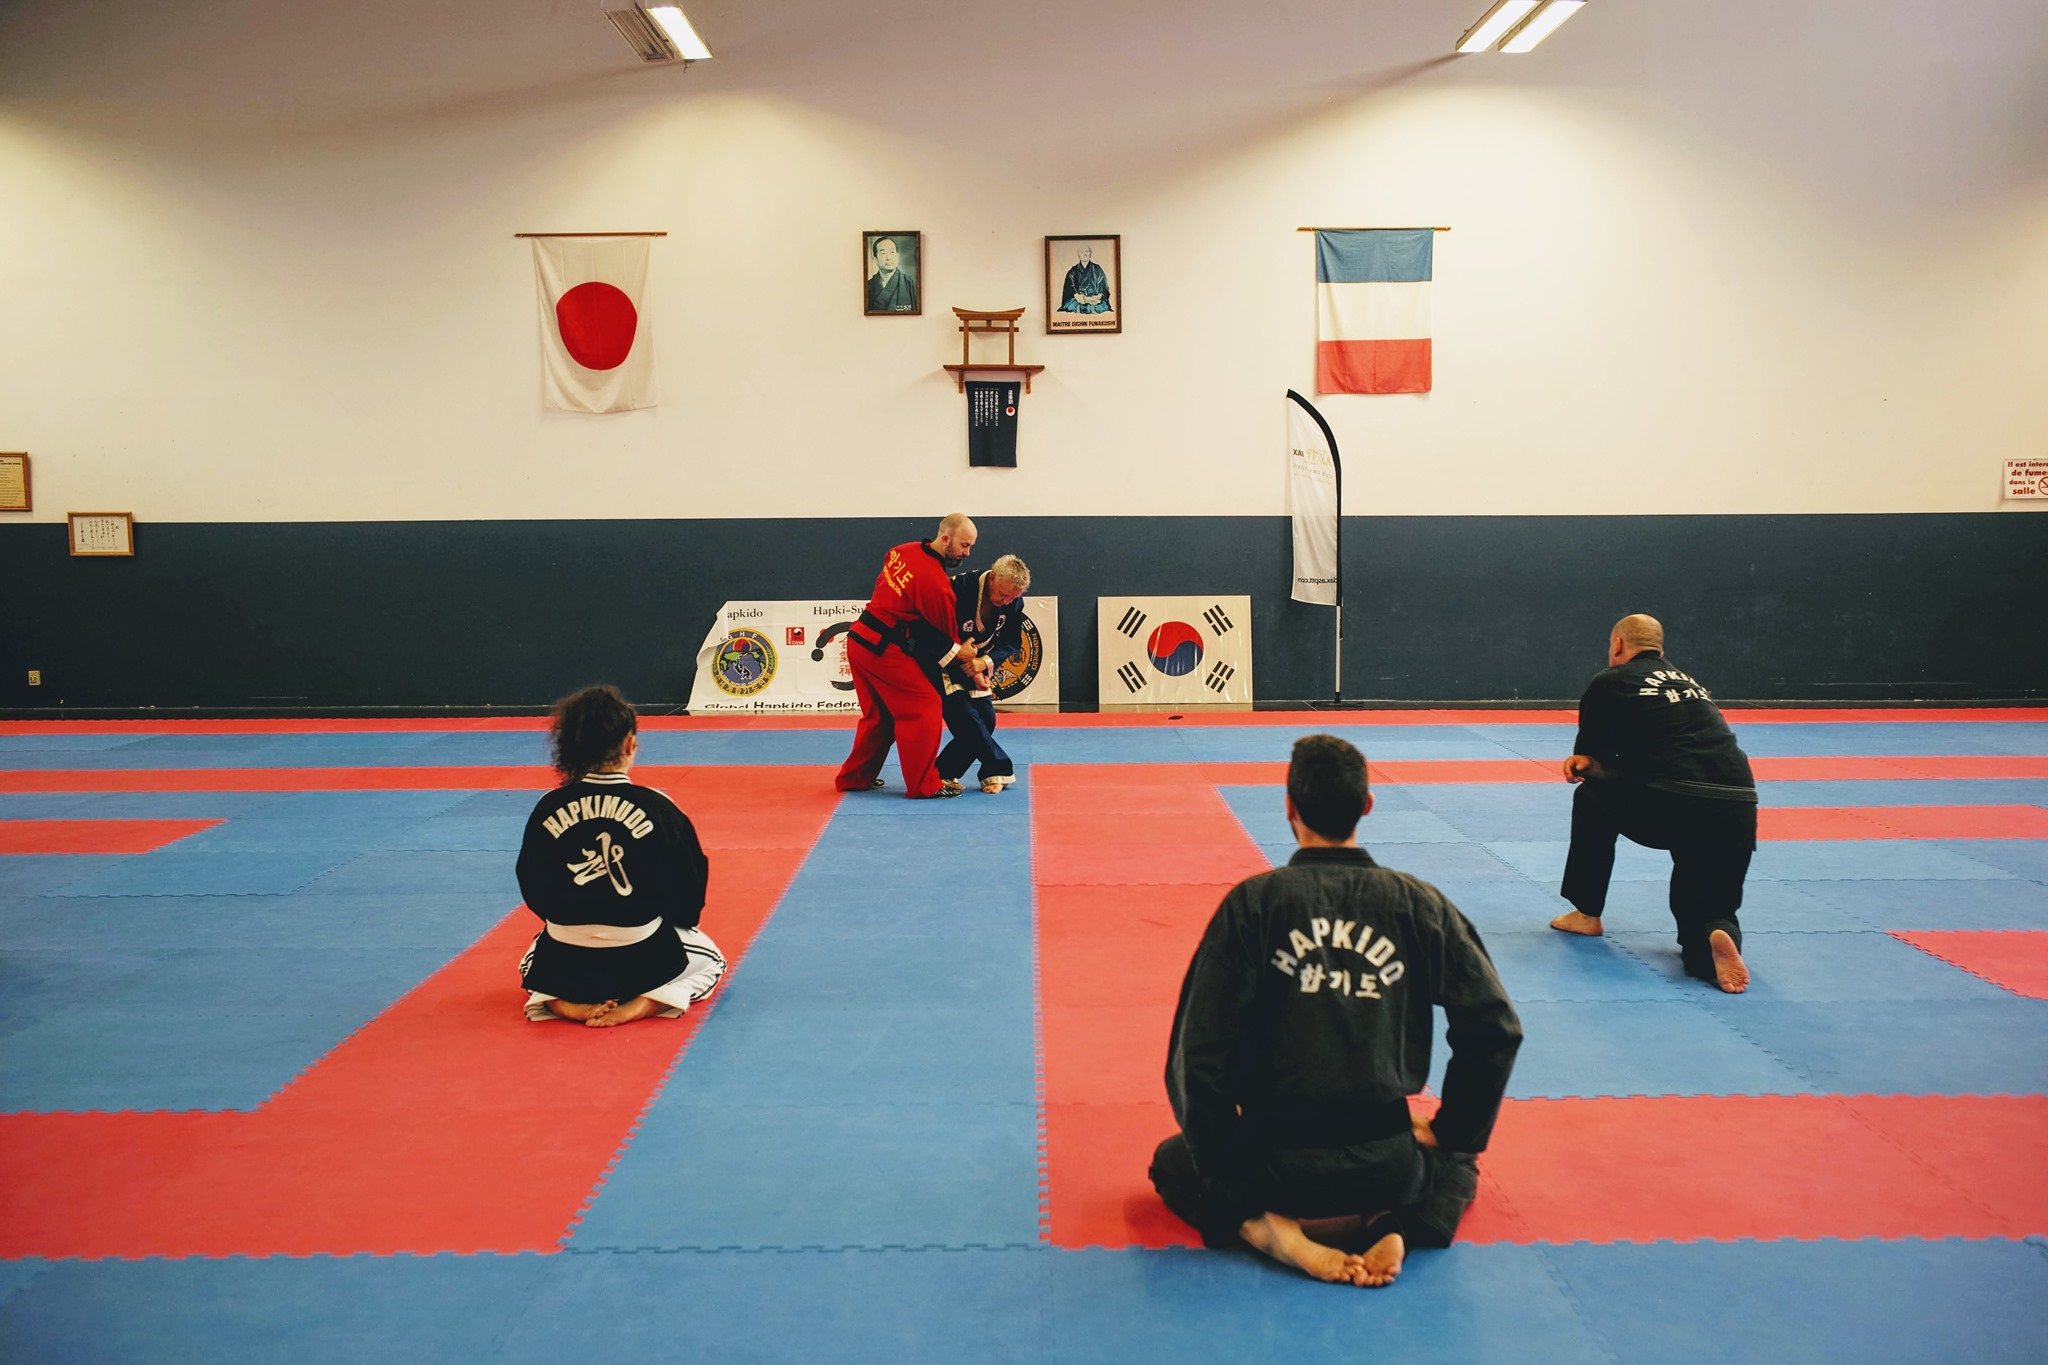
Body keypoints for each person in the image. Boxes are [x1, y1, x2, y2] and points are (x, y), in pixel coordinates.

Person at [1151, 735, 1522, 1288]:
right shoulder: (1419, 903)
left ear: (1289, 807)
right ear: (1367, 806)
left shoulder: (1253, 904)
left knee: (1174, 1162)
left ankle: (1264, 1226)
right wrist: (1452, 1129)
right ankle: (1394, 1223)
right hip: (1386, 1163)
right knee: (1461, 1159)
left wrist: (1225, 1162)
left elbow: (1197, 1054)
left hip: (1273, 1163)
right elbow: (1495, 1027)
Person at [1550, 613, 1758, 993]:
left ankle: (1587, 913)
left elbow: (1596, 765)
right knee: (1710, 907)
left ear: (1617, 645)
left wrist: (1584, 764)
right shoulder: (1689, 683)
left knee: (1590, 797)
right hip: (1738, 804)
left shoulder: (1612, 681)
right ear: (1659, 648)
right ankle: (1714, 936)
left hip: (1674, 804)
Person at [515, 685, 727, 1027]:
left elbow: (533, 884)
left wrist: (572, 919)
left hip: (568, 953)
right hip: (639, 953)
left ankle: (557, 1000)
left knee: (531, 960)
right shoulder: (659, 807)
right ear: (630, 744)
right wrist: (670, 921)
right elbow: (688, 888)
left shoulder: (547, 806)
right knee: (714, 960)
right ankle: (650, 1001)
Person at [833, 514, 984, 799]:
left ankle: (854, 778)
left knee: (880, 717)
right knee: (925, 706)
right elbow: (946, 637)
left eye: (970, 547)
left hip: (859, 639)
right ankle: (924, 785)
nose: (967, 553)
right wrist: (968, 663)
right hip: (882, 649)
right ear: (946, 538)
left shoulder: (902, 550)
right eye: (964, 545)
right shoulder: (936, 584)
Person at [936, 554, 1030, 795]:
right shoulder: (958, 588)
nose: (1006, 601)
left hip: (974, 664)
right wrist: (961, 655)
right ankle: (998, 767)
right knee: (966, 717)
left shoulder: (1013, 601)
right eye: (1003, 594)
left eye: (1012, 598)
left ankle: (942, 773)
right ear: (993, 578)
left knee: (987, 720)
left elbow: (1011, 642)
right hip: (942, 661)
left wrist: (983, 663)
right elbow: (932, 630)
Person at [865, 235, 917, 313]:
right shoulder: (868, 286)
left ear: (897, 256)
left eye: (892, 252)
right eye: (883, 253)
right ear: (875, 259)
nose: (888, 258)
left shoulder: (910, 284)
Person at [1056, 245, 1111, 314]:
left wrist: (1098, 297)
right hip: (1078, 299)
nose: (1085, 254)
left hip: (1094, 299)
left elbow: (1103, 287)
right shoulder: (1073, 270)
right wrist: (1080, 297)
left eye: (1087, 251)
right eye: (1082, 252)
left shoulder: (1097, 269)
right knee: (1073, 305)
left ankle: (1089, 307)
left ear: (1090, 253)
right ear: (1079, 254)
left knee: (1101, 306)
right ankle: (1086, 307)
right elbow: (1069, 287)